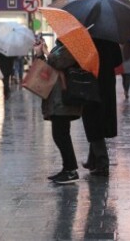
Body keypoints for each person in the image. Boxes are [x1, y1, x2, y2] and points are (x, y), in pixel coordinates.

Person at [35, 39, 84, 185]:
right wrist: (40, 55)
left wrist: (46, 51)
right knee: (60, 134)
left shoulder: (72, 47)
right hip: (55, 97)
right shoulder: (60, 47)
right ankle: (67, 168)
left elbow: (58, 62)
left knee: (61, 134)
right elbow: (47, 67)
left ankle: (71, 171)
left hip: (63, 97)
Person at [82, 38, 122, 177]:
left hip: (91, 83)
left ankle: (102, 162)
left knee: (92, 122)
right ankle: (92, 160)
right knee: (98, 120)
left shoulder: (87, 40)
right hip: (107, 84)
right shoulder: (110, 39)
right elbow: (118, 61)